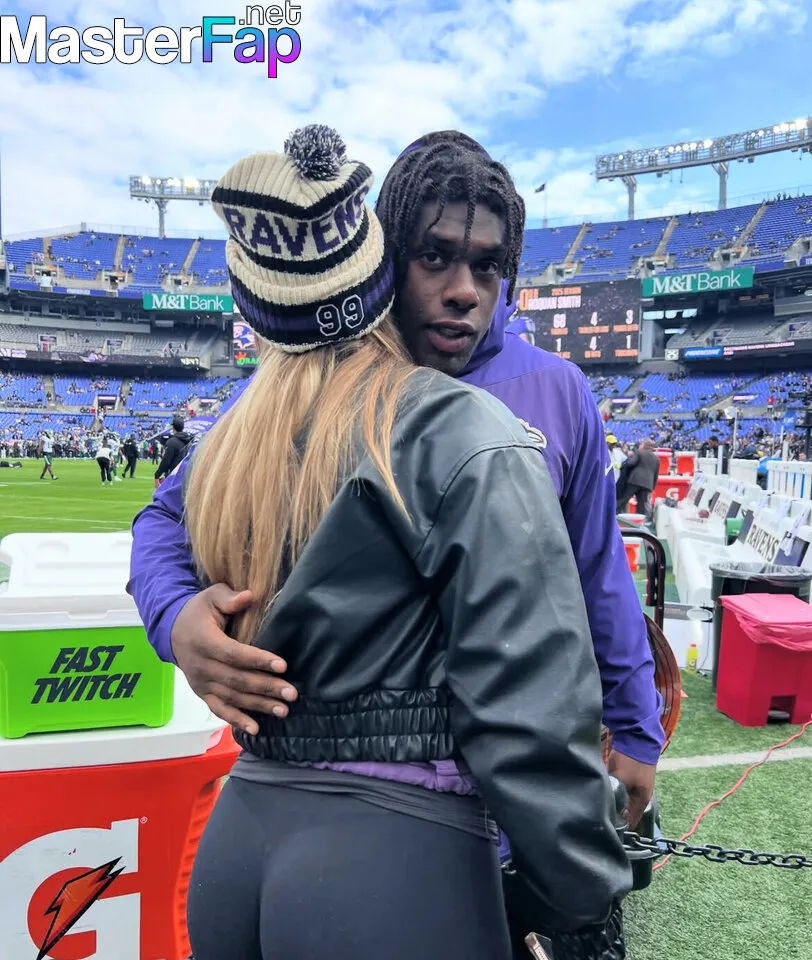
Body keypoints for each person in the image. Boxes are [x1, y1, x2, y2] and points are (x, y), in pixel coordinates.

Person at [129, 130, 662, 948]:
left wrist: (635, 729)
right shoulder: (296, 390)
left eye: (487, 266)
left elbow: (598, 576)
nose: (463, 291)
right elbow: (165, 518)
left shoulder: (556, 392)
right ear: (382, 258)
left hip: (389, 825)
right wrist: (175, 619)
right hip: (408, 833)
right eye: (434, 257)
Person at [616, 439, 660, 519]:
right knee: (641, 505)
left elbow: (631, 463)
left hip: (635, 480)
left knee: (624, 498)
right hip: (647, 484)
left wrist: (625, 465)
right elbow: (656, 474)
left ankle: (613, 513)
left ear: (644, 445)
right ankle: (639, 521)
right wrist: (652, 487)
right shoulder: (657, 459)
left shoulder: (639, 452)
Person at [153, 416, 191, 488]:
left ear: (173, 427)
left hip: (174, 477)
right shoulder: (190, 441)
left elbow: (166, 461)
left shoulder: (172, 442)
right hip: (186, 476)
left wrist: (157, 475)